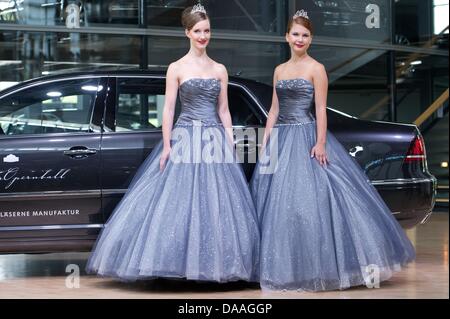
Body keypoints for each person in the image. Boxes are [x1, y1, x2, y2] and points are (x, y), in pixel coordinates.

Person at [86, 4, 260, 283]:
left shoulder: (219, 69)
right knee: (180, 203)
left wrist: (230, 144)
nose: (203, 36)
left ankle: (215, 266)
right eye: (198, 31)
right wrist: (167, 145)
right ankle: (179, 264)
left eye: (207, 31)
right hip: (185, 137)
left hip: (213, 138)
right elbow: (168, 109)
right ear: (187, 32)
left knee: (216, 205)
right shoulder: (176, 68)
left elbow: (224, 110)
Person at [250, 9, 415, 292]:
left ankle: (315, 267)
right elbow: (274, 110)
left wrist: (320, 142)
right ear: (286, 37)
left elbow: (320, 110)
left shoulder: (316, 69)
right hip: (281, 137)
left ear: (310, 39)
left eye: (305, 35)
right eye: (296, 34)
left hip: (305, 136)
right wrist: (267, 141)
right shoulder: (280, 70)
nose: (299, 39)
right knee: (278, 208)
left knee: (306, 206)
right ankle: (283, 266)